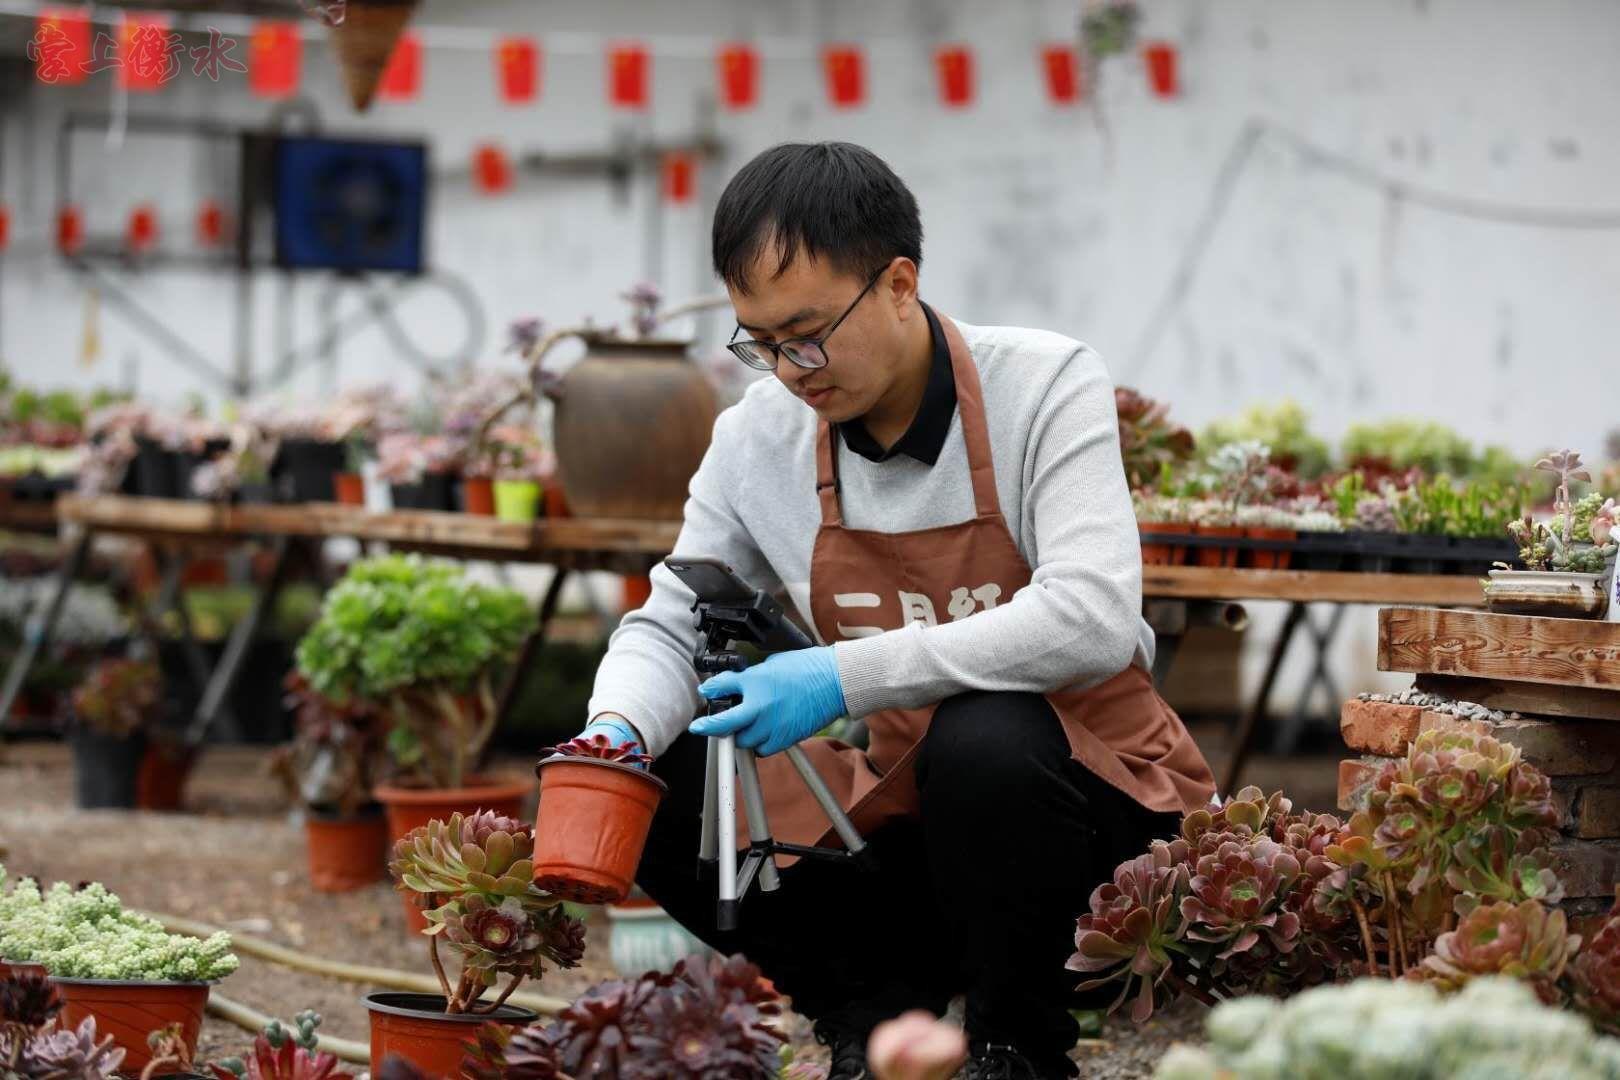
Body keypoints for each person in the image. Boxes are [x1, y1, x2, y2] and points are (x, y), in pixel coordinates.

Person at [575, 141, 1215, 1079]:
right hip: (908, 818)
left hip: (1093, 822)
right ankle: (873, 1024)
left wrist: (842, 673)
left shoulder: (1042, 384)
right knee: (662, 774)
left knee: (986, 735)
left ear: (899, 283)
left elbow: (1091, 615)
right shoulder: (762, 433)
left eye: (807, 332)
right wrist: (611, 734)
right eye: (760, 341)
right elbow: (673, 614)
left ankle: (1013, 1043)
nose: (790, 369)